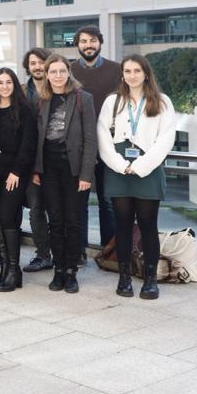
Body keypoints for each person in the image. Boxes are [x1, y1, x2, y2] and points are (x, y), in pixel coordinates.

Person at [97, 55, 176, 300]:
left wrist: (141, 165)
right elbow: (102, 136)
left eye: (137, 71)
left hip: (148, 169)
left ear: (146, 73)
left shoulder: (161, 102)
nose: (132, 75)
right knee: (122, 225)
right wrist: (121, 165)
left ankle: (150, 280)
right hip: (118, 168)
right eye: (128, 71)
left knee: (147, 224)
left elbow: (166, 139)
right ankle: (124, 278)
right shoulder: (113, 101)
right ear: (122, 74)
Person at [33, 54, 96, 294]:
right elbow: (36, 138)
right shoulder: (40, 99)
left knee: (73, 221)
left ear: (68, 73)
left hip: (74, 170)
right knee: (55, 221)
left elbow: (91, 139)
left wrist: (86, 175)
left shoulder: (83, 99)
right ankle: (58, 269)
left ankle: (71, 271)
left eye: (62, 71)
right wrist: (36, 170)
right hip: (49, 169)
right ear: (46, 75)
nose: (57, 76)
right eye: (53, 72)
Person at [70, 25, 123, 252]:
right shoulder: (68, 70)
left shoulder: (117, 69)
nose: (88, 45)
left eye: (92, 40)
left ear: (100, 42)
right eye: (83, 41)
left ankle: (107, 251)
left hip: (107, 144)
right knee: (78, 202)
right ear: (77, 44)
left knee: (108, 201)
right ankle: (78, 251)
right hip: (76, 146)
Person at [0, 68, 37, 293]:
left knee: (8, 217)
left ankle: (14, 269)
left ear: (14, 84)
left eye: (8, 82)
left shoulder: (24, 110)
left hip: (15, 173)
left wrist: (16, 172)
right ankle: (6, 268)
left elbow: (28, 144)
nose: (4, 86)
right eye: (0, 83)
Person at [21, 47, 54, 273]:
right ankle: (43, 254)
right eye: (33, 63)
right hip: (31, 162)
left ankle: (69, 253)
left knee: (60, 211)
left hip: (57, 160)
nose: (37, 66)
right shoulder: (22, 91)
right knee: (35, 210)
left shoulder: (60, 88)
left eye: (41, 62)